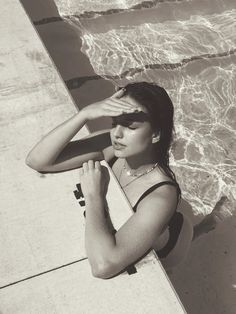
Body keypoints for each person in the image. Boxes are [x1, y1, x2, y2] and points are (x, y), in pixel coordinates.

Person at [26, 82, 224, 278]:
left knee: (165, 268)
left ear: (155, 134)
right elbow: (37, 160)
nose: (117, 134)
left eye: (130, 126)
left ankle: (205, 226)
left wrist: (94, 195)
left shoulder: (161, 197)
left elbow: (103, 266)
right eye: (114, 123)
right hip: (154, 221)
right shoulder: (113, 146)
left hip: (172, 245)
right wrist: (84, 114)